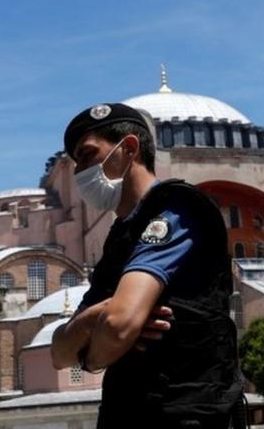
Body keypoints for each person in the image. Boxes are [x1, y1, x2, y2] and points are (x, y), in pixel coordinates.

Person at [50, 103, 243, 429]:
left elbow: (118, 325)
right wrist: (97, 319)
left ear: (128, 148)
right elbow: (59, 353)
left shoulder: (177, 209)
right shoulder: (119, 238)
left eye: (87, 154)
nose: (80, 170)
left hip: (185, 413)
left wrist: (97, 341)